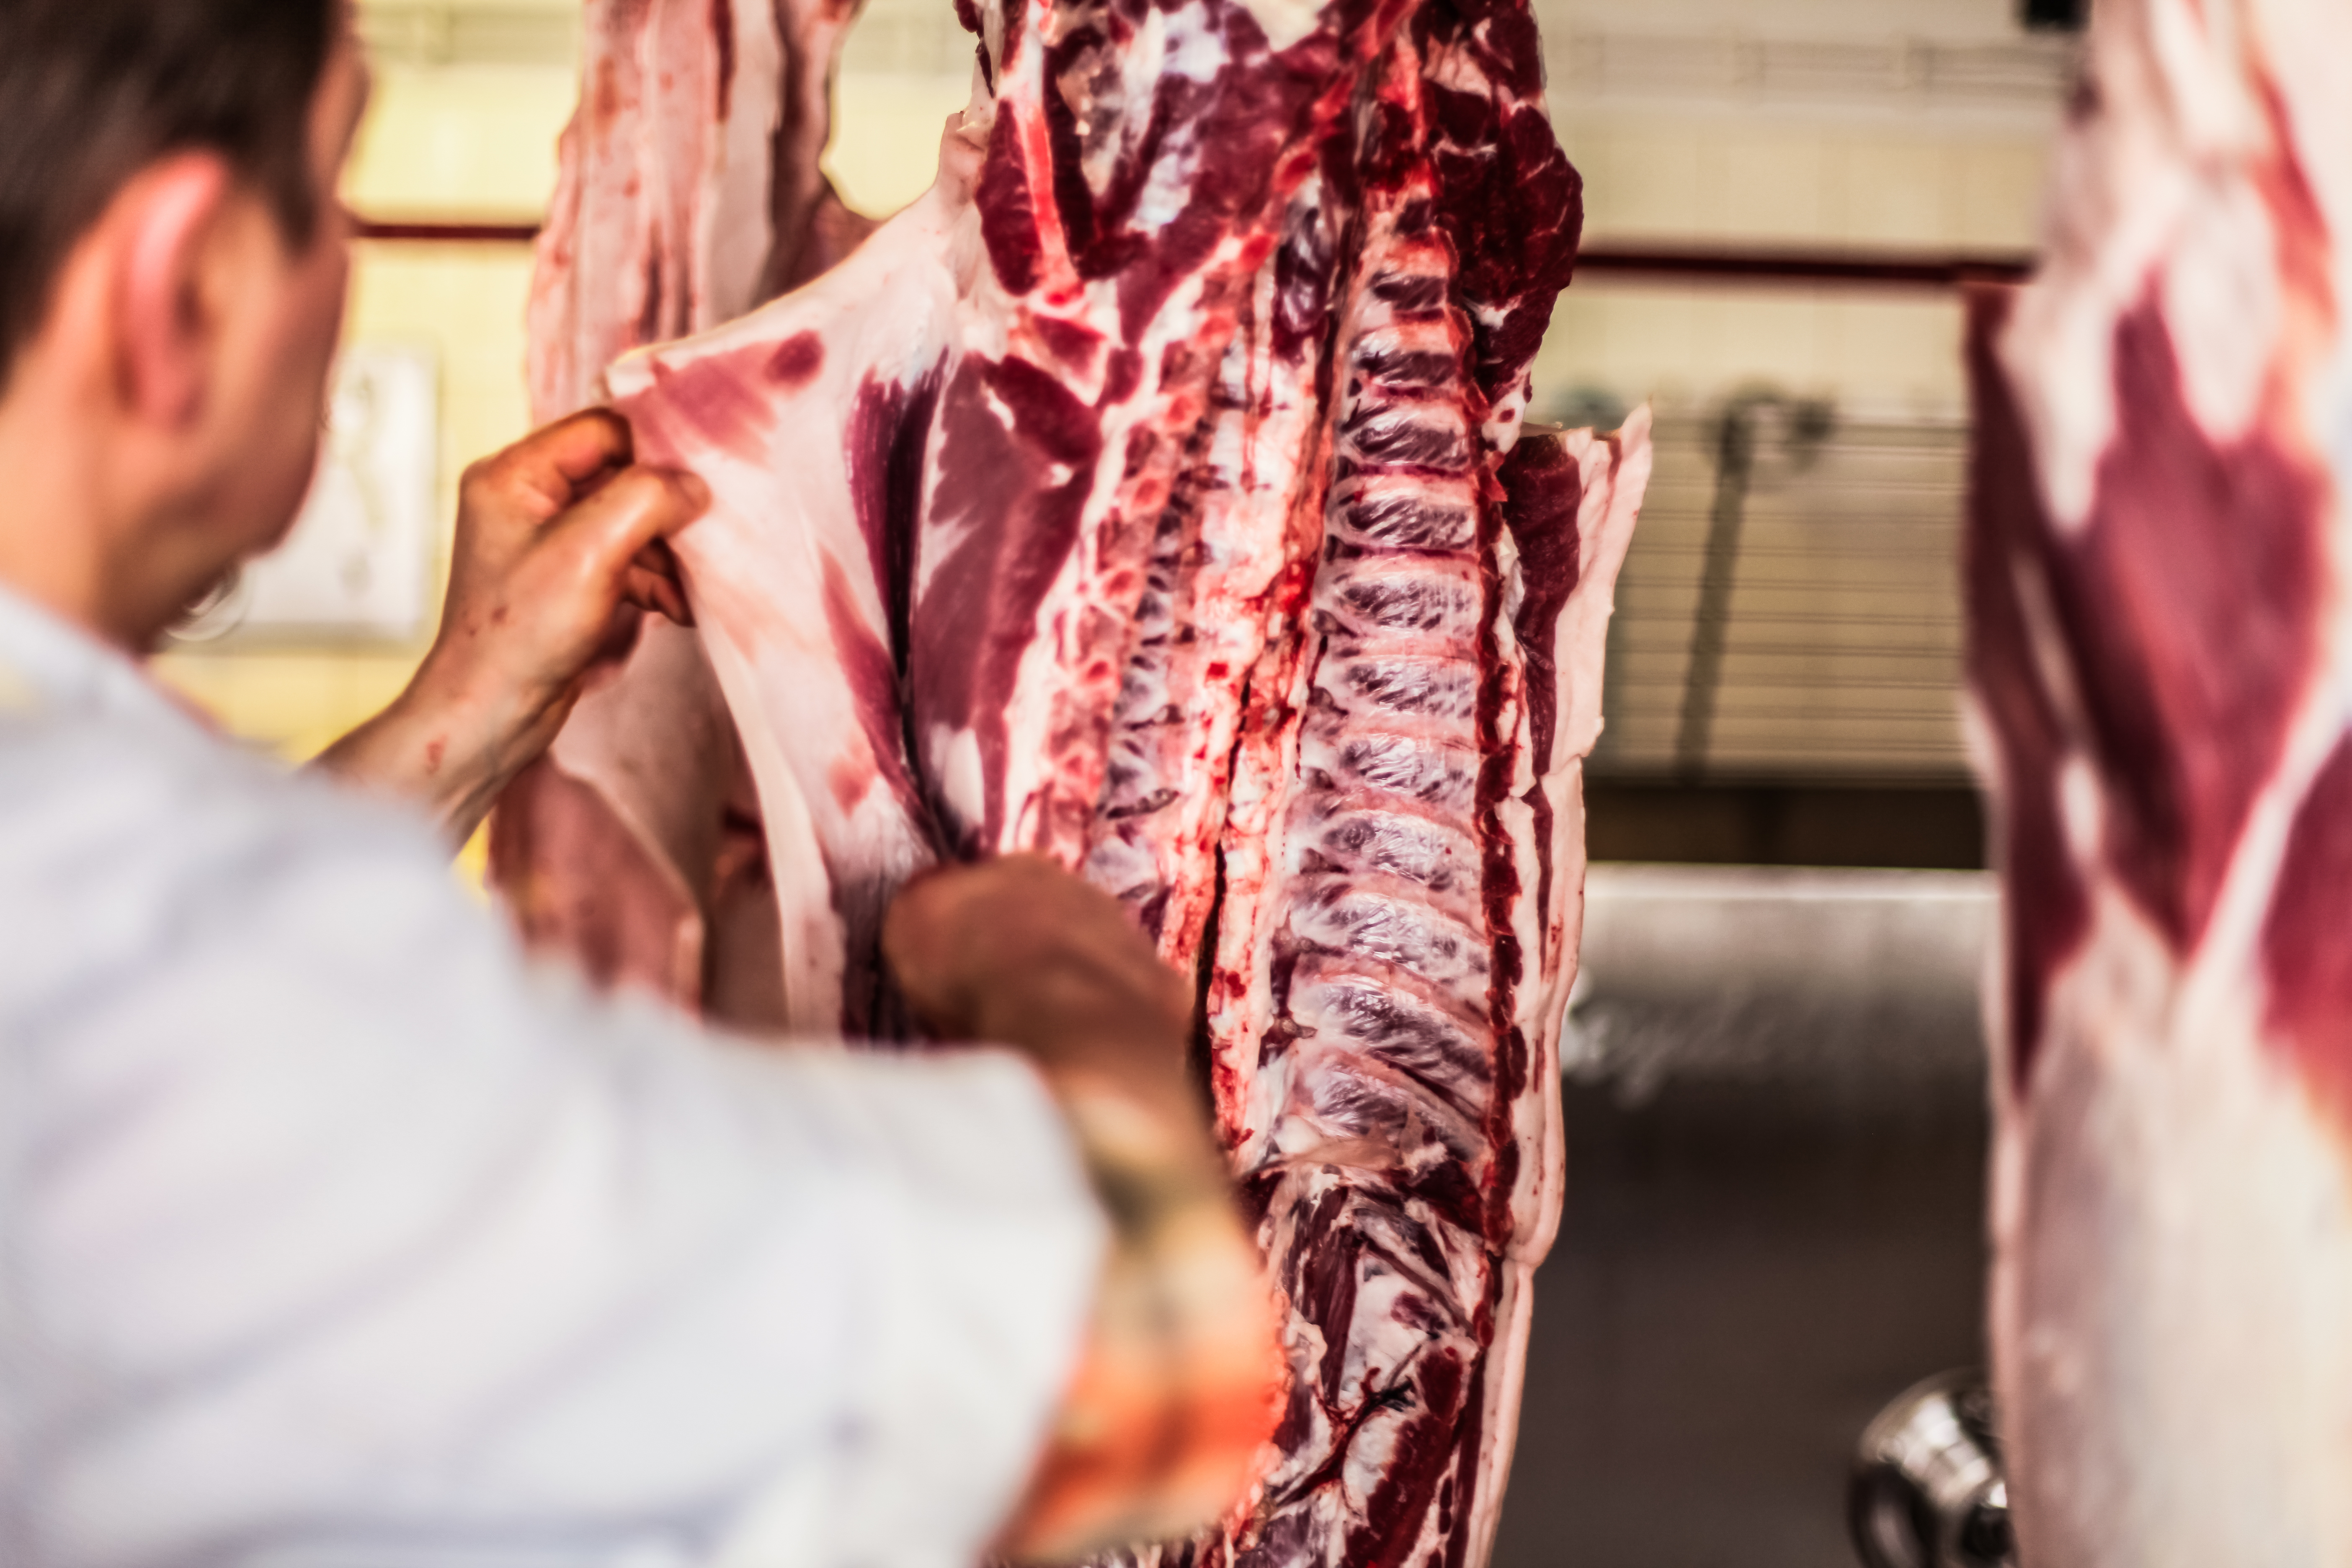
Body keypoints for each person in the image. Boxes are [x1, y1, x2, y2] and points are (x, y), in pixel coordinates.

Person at [0, 3, 1282, 1565]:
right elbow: (1142, 1362)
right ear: (176, 285)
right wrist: (1067, 986)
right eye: (328, 193)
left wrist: (466, 710)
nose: (342, 263)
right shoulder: (174, 995)